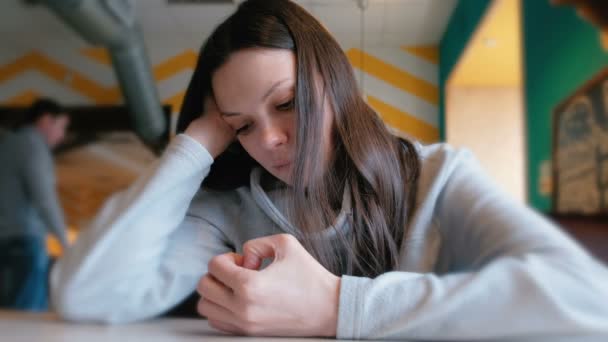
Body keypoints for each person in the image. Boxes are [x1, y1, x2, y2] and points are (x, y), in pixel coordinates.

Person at [50, 0, 608, 339]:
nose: (267, 139)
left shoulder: (438, 176)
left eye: (287, 103)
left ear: (333, 83)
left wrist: (336, 306)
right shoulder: (227, 208)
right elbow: (89, 295)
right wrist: (197, 141)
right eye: (241, 125)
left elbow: (590, 302)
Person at [0, 98, 70, 311]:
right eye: (61, 127)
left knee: (8, 314)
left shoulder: (8, 144)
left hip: (6, 238)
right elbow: (44, 198)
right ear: (46, 120)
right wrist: (65, 241)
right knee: (25, 315)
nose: (62, 135)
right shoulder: (32, 145)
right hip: (23, 240)